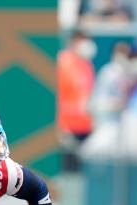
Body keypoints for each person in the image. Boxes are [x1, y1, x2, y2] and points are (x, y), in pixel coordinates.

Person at [57, 30, 96, 172]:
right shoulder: (63, 63)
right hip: (67, 127)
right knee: (67, 172)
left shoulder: (87, 65)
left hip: (85, 126)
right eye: (82, 40)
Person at [89, 40, 133, 127]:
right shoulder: (108, 71)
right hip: (105, 114)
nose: (122, 55)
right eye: (120, 51)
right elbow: (99, 96)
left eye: (124, 52)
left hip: (120, 116)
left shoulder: (127, 71)